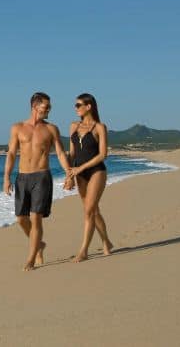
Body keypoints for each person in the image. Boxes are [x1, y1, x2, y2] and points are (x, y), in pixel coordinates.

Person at [3, 92, 72, 271]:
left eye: (49, 107)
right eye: (46, 107)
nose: (49, 110)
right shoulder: (17, 128)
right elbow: (11, 153)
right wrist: (6, 178)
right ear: (35, 107)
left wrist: (69, 174)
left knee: (36, 218)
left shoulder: (51, 129)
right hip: (22, 177)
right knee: (21, 219)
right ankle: (39, 245)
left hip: (42, 177)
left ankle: (31, 258)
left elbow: (60, 153)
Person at [65, 93, 114, 262]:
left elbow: (103, 154)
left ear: (89, 106)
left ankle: (83, 251)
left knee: (88, 211)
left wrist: (81, 168)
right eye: (75, 105)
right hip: (79, 174)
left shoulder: (100, 127)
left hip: (96, 172)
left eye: (78, 105)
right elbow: (71, 154)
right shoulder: (73, 126)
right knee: (93, 210)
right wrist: (69, 175)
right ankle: (106, 242)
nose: (76, 108)